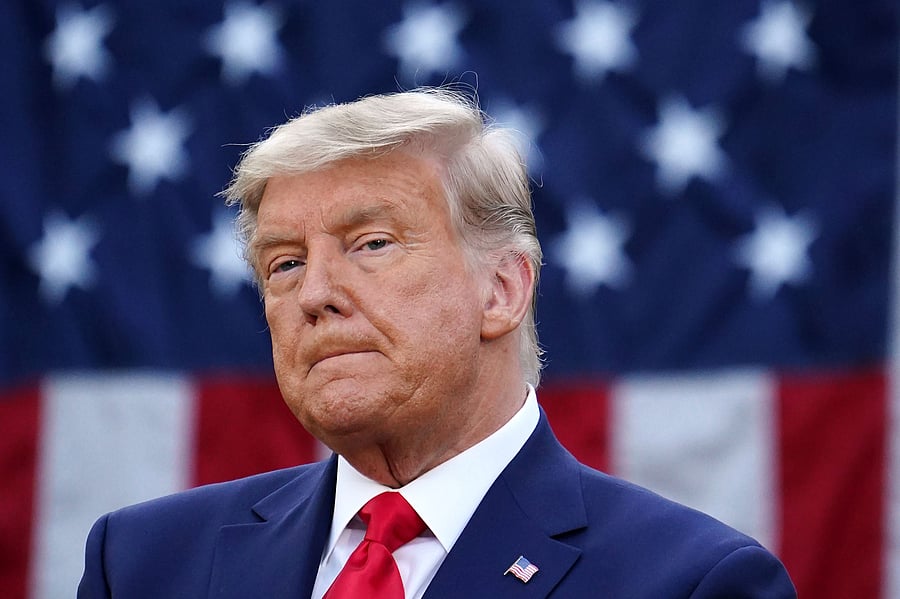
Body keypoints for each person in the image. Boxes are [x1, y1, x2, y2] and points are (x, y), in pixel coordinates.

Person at [78, 88, 796, 598]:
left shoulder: (692, 582)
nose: (315, 293)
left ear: (502, 290)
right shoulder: (141, 565)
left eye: (372, 243)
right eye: (285, 263)